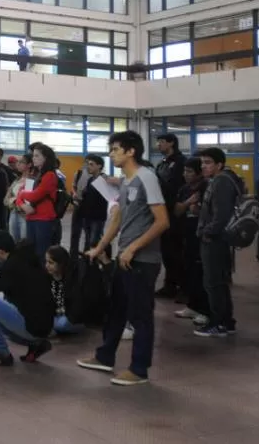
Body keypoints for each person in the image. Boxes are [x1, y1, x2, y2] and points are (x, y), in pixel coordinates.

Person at [78, 131, 169, 386]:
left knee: (140, 316)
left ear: (131, 151)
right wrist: (100, 247)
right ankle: (105, 356)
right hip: (125, 257)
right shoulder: (127, 181)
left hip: (142, 261)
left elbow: (162, 221)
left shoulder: (146, 178)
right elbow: (118, 216)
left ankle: (139, 369)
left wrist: (133, 248)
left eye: (116, 149)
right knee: (116, 310)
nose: (111, 153)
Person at [0, 232, 54, 366]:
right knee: (1, 302)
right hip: (44, 327)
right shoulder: (30, 260)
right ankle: (36, 344)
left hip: (31, 327)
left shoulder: (11, 266)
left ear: (0, 251)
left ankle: (0, 352)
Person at [194, 147, 243, 338]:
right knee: (219, 282)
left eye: (208, 163)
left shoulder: (222, 181)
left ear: (219, 164)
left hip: (215, 240)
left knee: (213, 283)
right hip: (218, 238)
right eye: (202, 163)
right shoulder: (221, 179)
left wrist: (207, 232)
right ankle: (226, 321)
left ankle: (219, 323)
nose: (203, 167)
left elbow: (221, 215)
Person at [170, 158, 210, 325]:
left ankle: (205, 310)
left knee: (202, 274)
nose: (186, 175)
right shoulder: (184, 189)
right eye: (185, 171)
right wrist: (188, 203)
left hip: (201, 236)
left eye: (190, 172)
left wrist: (198, 209)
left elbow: (209, 212)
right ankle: (192, 305)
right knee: (189, 272)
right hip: (185, 234)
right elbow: (177, 210)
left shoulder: (207, 187)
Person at [154, 133, 186, 299]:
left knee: (177, 251)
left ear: (171, 143)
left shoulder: (181, 162)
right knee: (166, 251)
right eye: (158, 142)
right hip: (162, 212)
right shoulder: (161, 164)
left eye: (162, 142)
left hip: (177, 213)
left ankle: (183, 287)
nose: (159, 145)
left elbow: (180, 187)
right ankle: (170, 285)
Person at [16, 144, 59, 258]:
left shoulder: (50, 175)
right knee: (32, 253)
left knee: (42, 253)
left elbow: (35, 196)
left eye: (37, 156)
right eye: (33, 156)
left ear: (46, 158)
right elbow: (19, 193)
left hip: (43, 219)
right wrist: (21, 202)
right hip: (31, 217)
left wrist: (21, 195)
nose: (33, 158)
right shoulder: (35, 175)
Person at [73, 155, 109, 257]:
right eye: (88, 164)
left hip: (98, 217)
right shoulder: (90, 180)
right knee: (89, 240)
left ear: (99, 166)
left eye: (91, 164)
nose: (88, 167)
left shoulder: (103, 179)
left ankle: (98, 261)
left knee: (94, 241)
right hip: (88, 216)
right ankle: (88, 261)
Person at [45, 246, 82, 335]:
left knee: (63, 324)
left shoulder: (72, 280)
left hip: (69, 319)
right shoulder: (46, 278)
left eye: (51, 262)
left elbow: (76, 311)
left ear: (61, 264)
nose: (47, 265)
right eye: (46, 261)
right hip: (53, 317)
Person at [4, 154, 31, 241]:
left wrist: (14, 200)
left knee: (24, 242)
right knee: (13, 241)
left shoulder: (32, 180)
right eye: (18, 162)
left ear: (29, 165)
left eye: (21, 162)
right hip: (13, 213)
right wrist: (15, 201)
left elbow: (27, 201)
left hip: (24, 216)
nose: (18, 164)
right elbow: (6, 200)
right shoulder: (17, 180)